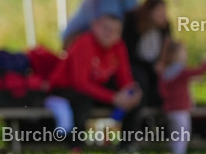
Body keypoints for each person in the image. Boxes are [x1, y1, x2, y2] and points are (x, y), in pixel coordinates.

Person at [46, 15, 142, 146]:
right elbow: (80, 83)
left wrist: (130, 92)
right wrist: (113, 97)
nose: (110, 34)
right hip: (63, 89)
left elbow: (124, 76)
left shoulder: (118, 46)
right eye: (106, 29)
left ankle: (127, 146)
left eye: (115, 31)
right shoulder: (85, 43)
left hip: (94, 88)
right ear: (95, 26)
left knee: (136, 91)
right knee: (82, 100)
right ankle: (75, 147)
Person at [158, 40, 206, 154]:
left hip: (171, 108)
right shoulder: (179, 71)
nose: (186, 54)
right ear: (175, 55)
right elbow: (197, 71)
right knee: (182, 133)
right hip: (179, 108)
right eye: (183, 52)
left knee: (176, 133)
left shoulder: (167, 71)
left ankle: (175, 153)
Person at [121, 0, 171, 111]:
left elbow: (167, 47)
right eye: (159, 11)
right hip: (136, 65)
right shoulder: (134, 23)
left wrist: (161, 62)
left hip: (155, 65)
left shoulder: (164, 28)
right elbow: (128, 51)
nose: (162, 15)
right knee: (140, 78)